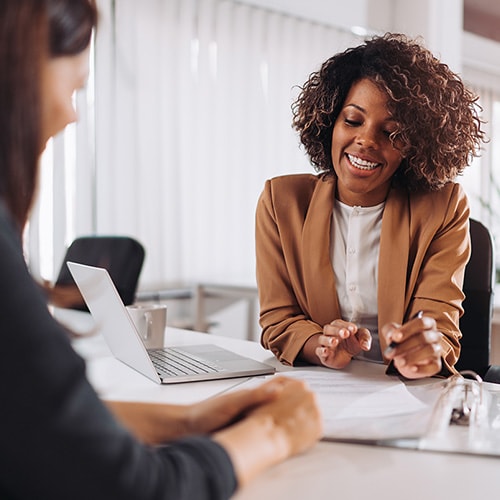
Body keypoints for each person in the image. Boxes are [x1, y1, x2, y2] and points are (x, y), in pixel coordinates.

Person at [0, 1, 322, 499]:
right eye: (74, 87)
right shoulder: (283, 200)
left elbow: (31, 420)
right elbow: (128, 486)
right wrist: (275, 433)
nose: (71, 113)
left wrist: (188, 419)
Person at [256, 33, 486, 380]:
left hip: (406, 395)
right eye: (352, 120)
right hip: (321, 389)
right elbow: (279, 320)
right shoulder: (281, 202)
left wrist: (425, 350)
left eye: (392, 133)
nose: (366, 141)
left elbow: (439, 325)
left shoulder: (443, 207)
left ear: (414, 146)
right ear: (330, 121)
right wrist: (320, 346)